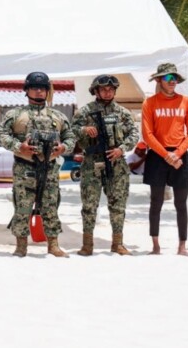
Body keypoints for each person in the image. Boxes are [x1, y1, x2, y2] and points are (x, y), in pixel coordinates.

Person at [0, 72, 75, 258]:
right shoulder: (15, 114)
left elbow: (70, 137)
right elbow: (2, 135)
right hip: (25, 168)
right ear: (27, 90)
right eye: (35, 88)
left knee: (50, 206)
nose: (39, 92)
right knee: (22, 207)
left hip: (49, 168)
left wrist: (62, 148)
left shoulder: (57, 116)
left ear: (47, 91)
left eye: (42, 88)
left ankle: (53, 245)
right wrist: (19, 147)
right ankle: (21, 246)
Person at [71, 75, 139, 256]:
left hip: (116, 162)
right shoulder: (85, 112)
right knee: (89, 205)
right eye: (103, 89)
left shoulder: (123, 113)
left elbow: (133, 135)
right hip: (92, 162)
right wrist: (84, 130)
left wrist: (121, 149)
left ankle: (118, 243)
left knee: (118, 205)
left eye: (110, 89)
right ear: (96, 91)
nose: (107, 92)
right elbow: (70, 132)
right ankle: (87, 245)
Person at [142, 63, 188, 256]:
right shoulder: (149, 103)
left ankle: (182, 246)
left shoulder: (186, 102)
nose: (172, 81)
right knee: (156, 201)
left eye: (174, 77)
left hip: (179, 155)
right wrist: (167, 155)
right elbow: (147, 135)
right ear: (158, 80)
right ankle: (156, 245)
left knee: (180, 203)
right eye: (167, 78)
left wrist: (178, 153)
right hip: (158, 156)